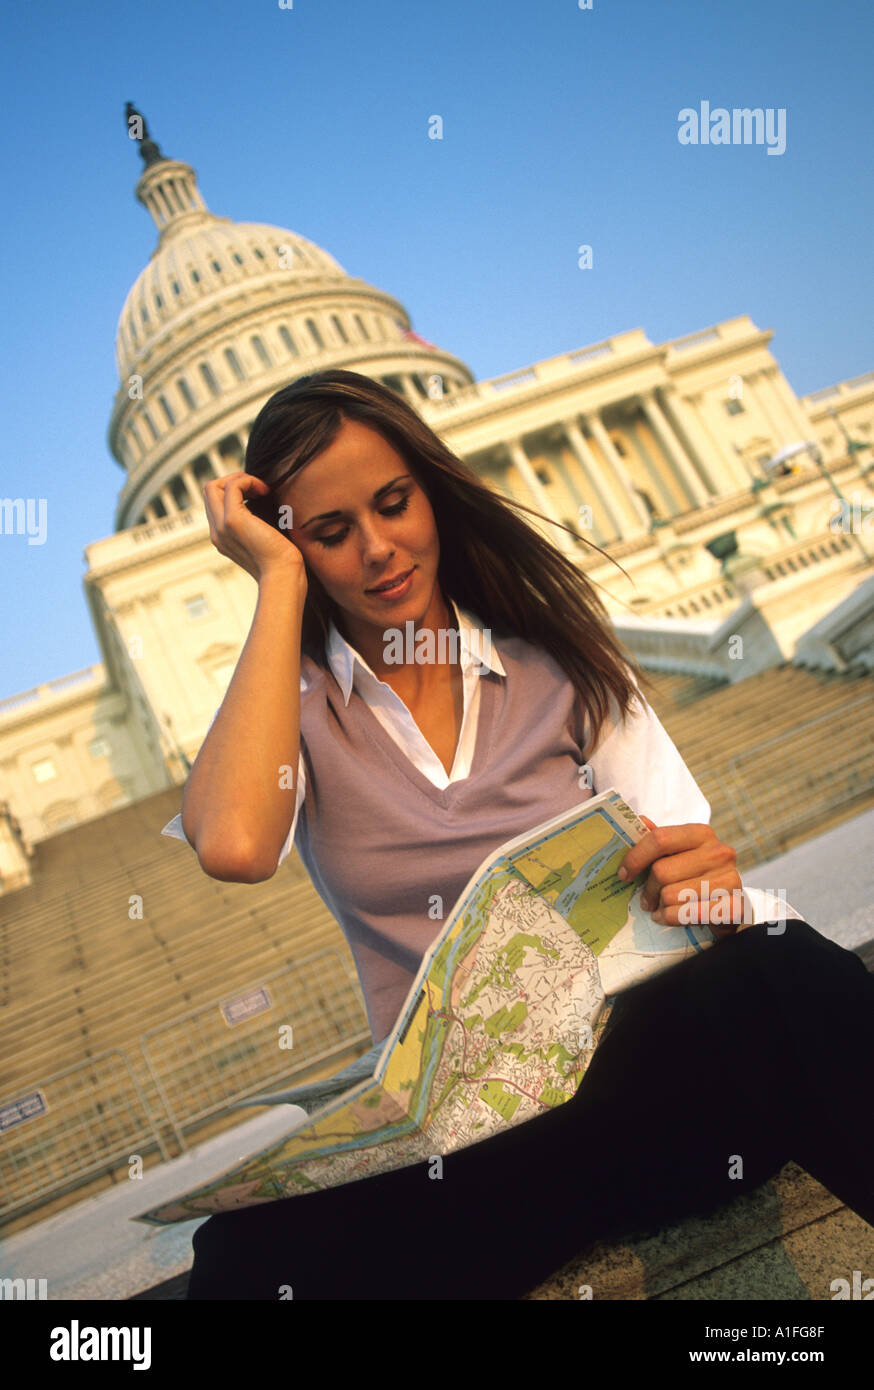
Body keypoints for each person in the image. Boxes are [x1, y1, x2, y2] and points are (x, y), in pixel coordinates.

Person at [166, 369, 874, 1299]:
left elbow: (687, 859)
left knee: (782, 966)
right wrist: (276, 583)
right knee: (239, 1259)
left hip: (647, 1089)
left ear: (432, 489)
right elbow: (234, 846)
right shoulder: (291, 710)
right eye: (331, 533)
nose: (380, 551)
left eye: (393, 504)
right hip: (473, 1153)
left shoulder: (553, 653)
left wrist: (707, 889)